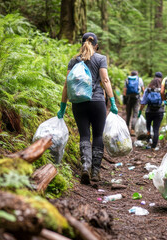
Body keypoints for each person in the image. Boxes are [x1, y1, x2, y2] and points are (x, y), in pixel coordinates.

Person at [57, 32, 118, 184]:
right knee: (98, 135)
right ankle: (95, 172)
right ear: (96, 45)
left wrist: (63, 107)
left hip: (78, 103)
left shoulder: (74, 60)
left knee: (84, 135)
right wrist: (112, 101)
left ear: (82, 44)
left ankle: (85, 166)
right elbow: (105, 79)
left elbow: (66, 85)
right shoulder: (100, 58)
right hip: (97, 101)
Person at [138, 72, 164, 150]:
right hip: (159, 111)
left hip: (149, 111)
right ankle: (154, 146)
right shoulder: (162, 90)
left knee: (148, 127)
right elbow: (165, 100)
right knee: (156, 129)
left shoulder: (148, 89)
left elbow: (143, 102)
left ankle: (148, 141)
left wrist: (140, 111)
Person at [123, 71, 145, 135]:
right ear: (137, 74)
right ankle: (132, 130)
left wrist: (124, 99)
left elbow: (125, 90)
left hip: (128, 99)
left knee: (128, 113)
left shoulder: (127, 79)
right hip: (136, 98)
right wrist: (143, 98)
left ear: (131, 74)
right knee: (135, 114)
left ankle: (127, 129)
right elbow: (143, 90)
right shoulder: (139, 79)